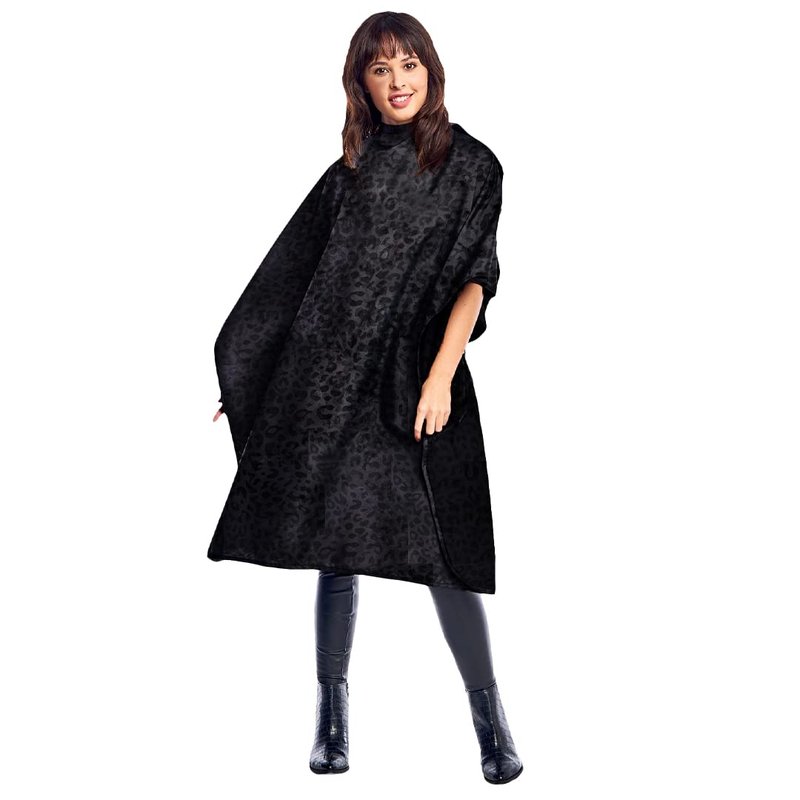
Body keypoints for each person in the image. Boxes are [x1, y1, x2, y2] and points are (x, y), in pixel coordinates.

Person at [208, 12, 523, 784]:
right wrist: (254, 383)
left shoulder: (473, 167)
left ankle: (491, 724)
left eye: (408, 64)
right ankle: (332, 720)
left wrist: (441, 376)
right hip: (335, 382)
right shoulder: (347, 173)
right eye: (380, 69)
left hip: (420, 383)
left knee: (446, 558)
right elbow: (291, 283)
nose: (397, 81)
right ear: (361, 84)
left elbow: (476, 279)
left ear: (431, 71)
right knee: (337, 548)